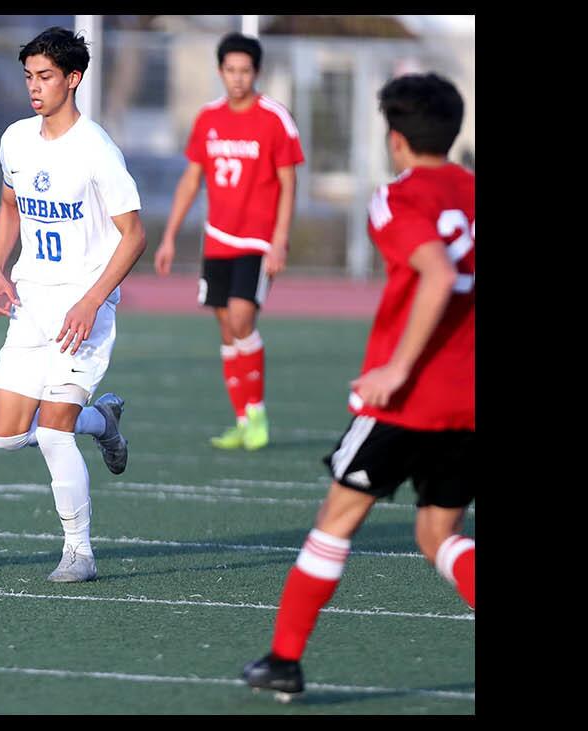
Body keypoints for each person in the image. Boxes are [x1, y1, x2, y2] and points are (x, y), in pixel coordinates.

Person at [241, 72, 475, 700]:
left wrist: (396, 370)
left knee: (335, 522)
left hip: (407, 402)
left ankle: (284, 662)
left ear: (396, 140)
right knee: (439, 537)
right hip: (470, 403)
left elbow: (437, 269)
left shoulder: (396, 197)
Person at [0, 27, 146, 583]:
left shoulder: (97, 149)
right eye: (29, 76)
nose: (34, 86)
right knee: (4, 436)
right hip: (30, 306)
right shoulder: (15, 139)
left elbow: (134, 236)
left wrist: (92, 300)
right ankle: (103, 422)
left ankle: (79, 550)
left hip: (85, 310)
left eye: (45, 76)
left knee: (53, 433)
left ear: (73, 79)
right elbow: (9, 206)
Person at [154, 33, 304, 451]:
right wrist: (169, 236)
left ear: (256, 72)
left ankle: (257, 414)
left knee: (242, 319)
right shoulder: (208, 118)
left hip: (257, 242)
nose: (237, 78)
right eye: (230, 70)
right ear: (221, 71)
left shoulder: (274, 118)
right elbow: (191, 179)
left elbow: (289, 183)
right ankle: (240, 420)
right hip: (217, 238)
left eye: (245, 71)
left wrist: (280, 240)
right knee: (225, 327)